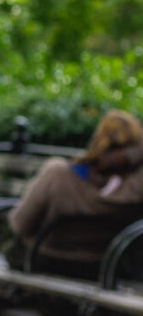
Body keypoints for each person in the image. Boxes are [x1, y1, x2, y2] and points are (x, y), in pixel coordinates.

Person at [8, 110, 143, 269]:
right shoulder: (133, 188)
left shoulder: (58, 174)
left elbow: (20, 224)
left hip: (44, 261)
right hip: (101, 269)